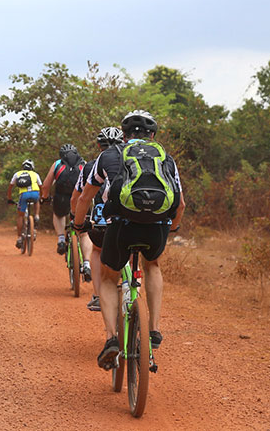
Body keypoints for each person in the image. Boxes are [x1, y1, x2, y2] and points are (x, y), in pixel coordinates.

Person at [72, 110, 185, 369]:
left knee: (111, 278)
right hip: (156, 227)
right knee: (153, 265)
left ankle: (112, 338)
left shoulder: (109, 155)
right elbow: (180, 204)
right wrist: (172, 228)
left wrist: (79, 225)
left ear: (123, 135)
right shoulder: (166, 157)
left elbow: (83, 198)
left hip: (121, 226)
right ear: (153, 135)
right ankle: (154, 330)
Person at [71, 127, 123, 312]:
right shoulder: (130, 161)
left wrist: (76, 219)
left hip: (99, 221)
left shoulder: (90, 166)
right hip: (127, 219)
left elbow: (77, 198)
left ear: (99, 145)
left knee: (97, 250)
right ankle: (134, 288)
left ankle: (97, 296)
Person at [41, 144, 85, 255]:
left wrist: (45, 197)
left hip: (61, 197)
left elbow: (46, 185)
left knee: (58, 214)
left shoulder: (57, 164)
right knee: (84, 230)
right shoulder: (84, 163)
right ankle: (86, 262)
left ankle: (61, 239)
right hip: (80, 198)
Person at [6, 159, 42, 249]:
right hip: (35, 193)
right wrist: (43, 197)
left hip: (24, 195)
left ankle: (19, 238)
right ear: (32, 167)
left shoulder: (17, 174)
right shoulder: (35, 174)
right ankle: (37, 216)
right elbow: (41, 186)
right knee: (37, 200)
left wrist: (9, 198)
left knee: (20, 216)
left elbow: (10, 187)